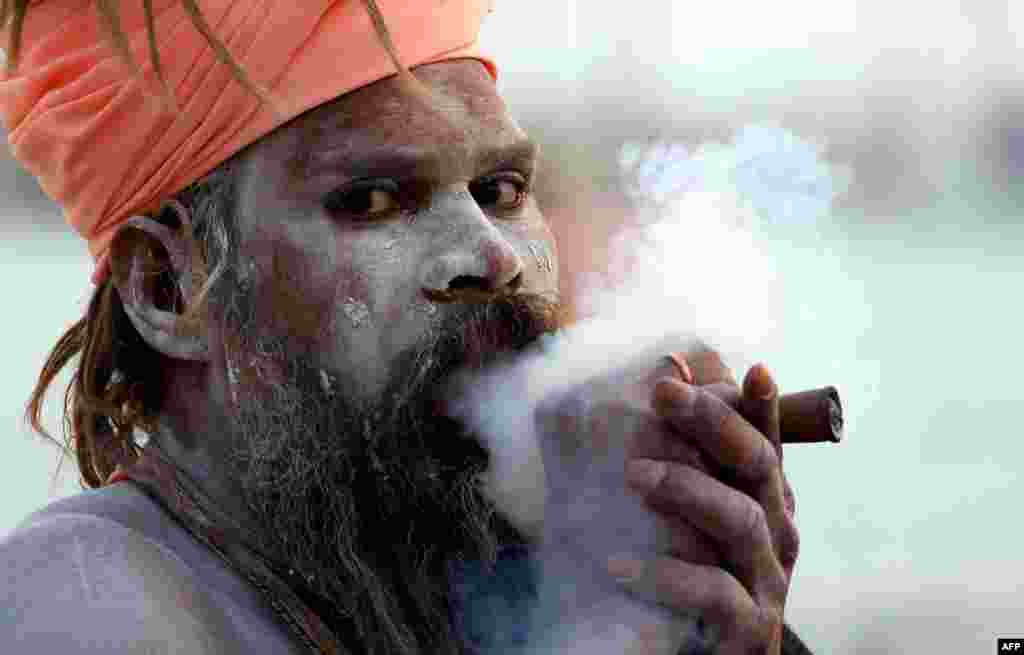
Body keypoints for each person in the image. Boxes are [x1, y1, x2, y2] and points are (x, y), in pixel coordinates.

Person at [0, 2, 813, 654]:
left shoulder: (483, 569)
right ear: (170, 286)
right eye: (374, 200)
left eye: (500, 189)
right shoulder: (82, 601)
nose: (492, 256)